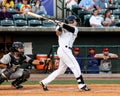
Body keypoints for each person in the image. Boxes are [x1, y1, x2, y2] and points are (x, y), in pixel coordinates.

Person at [40, 15, 90, 91]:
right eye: (75, 20)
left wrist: (61, 24)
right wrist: (59, 26)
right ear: (71, 21)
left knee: (61, 70)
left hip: (67, 50)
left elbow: (70, 29)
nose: (76, 22)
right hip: (63, 49)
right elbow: (58, 33)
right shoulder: (60, 26)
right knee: (75, 65)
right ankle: (81, 84)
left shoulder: (75, 29)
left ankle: (44, 82)